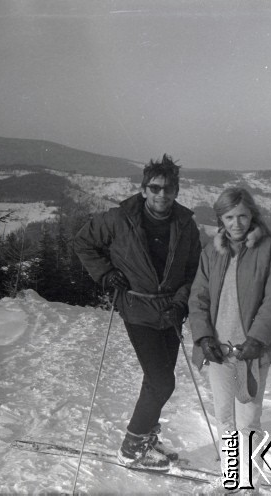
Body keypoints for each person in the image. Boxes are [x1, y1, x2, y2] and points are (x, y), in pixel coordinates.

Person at [74, 154, 201, 470]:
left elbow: (193, 270)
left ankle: (147, 437)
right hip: (137, 308)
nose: (161, 194)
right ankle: (131, 448)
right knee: (162, 382)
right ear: (144, 189)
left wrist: (181, 303)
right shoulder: (120, 219)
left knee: (155, 380)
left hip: (171, 310)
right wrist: (105, 273)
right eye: (155, 188)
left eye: (168, 189)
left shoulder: (185, 224)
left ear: (176, 191)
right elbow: (83, 242)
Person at [188, 187, 271, 491]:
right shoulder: (212, 251)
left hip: (251, 353)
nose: (236, 223)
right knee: (224, 418)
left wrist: (257, 339)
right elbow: (198, 298)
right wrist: (204, 336)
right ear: (220, 219)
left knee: (247, 421)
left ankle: (249, 481)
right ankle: (231, 477)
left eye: (242, 216)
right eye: (229, 217)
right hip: (219, 351)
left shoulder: (269, 250)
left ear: (252, 215)